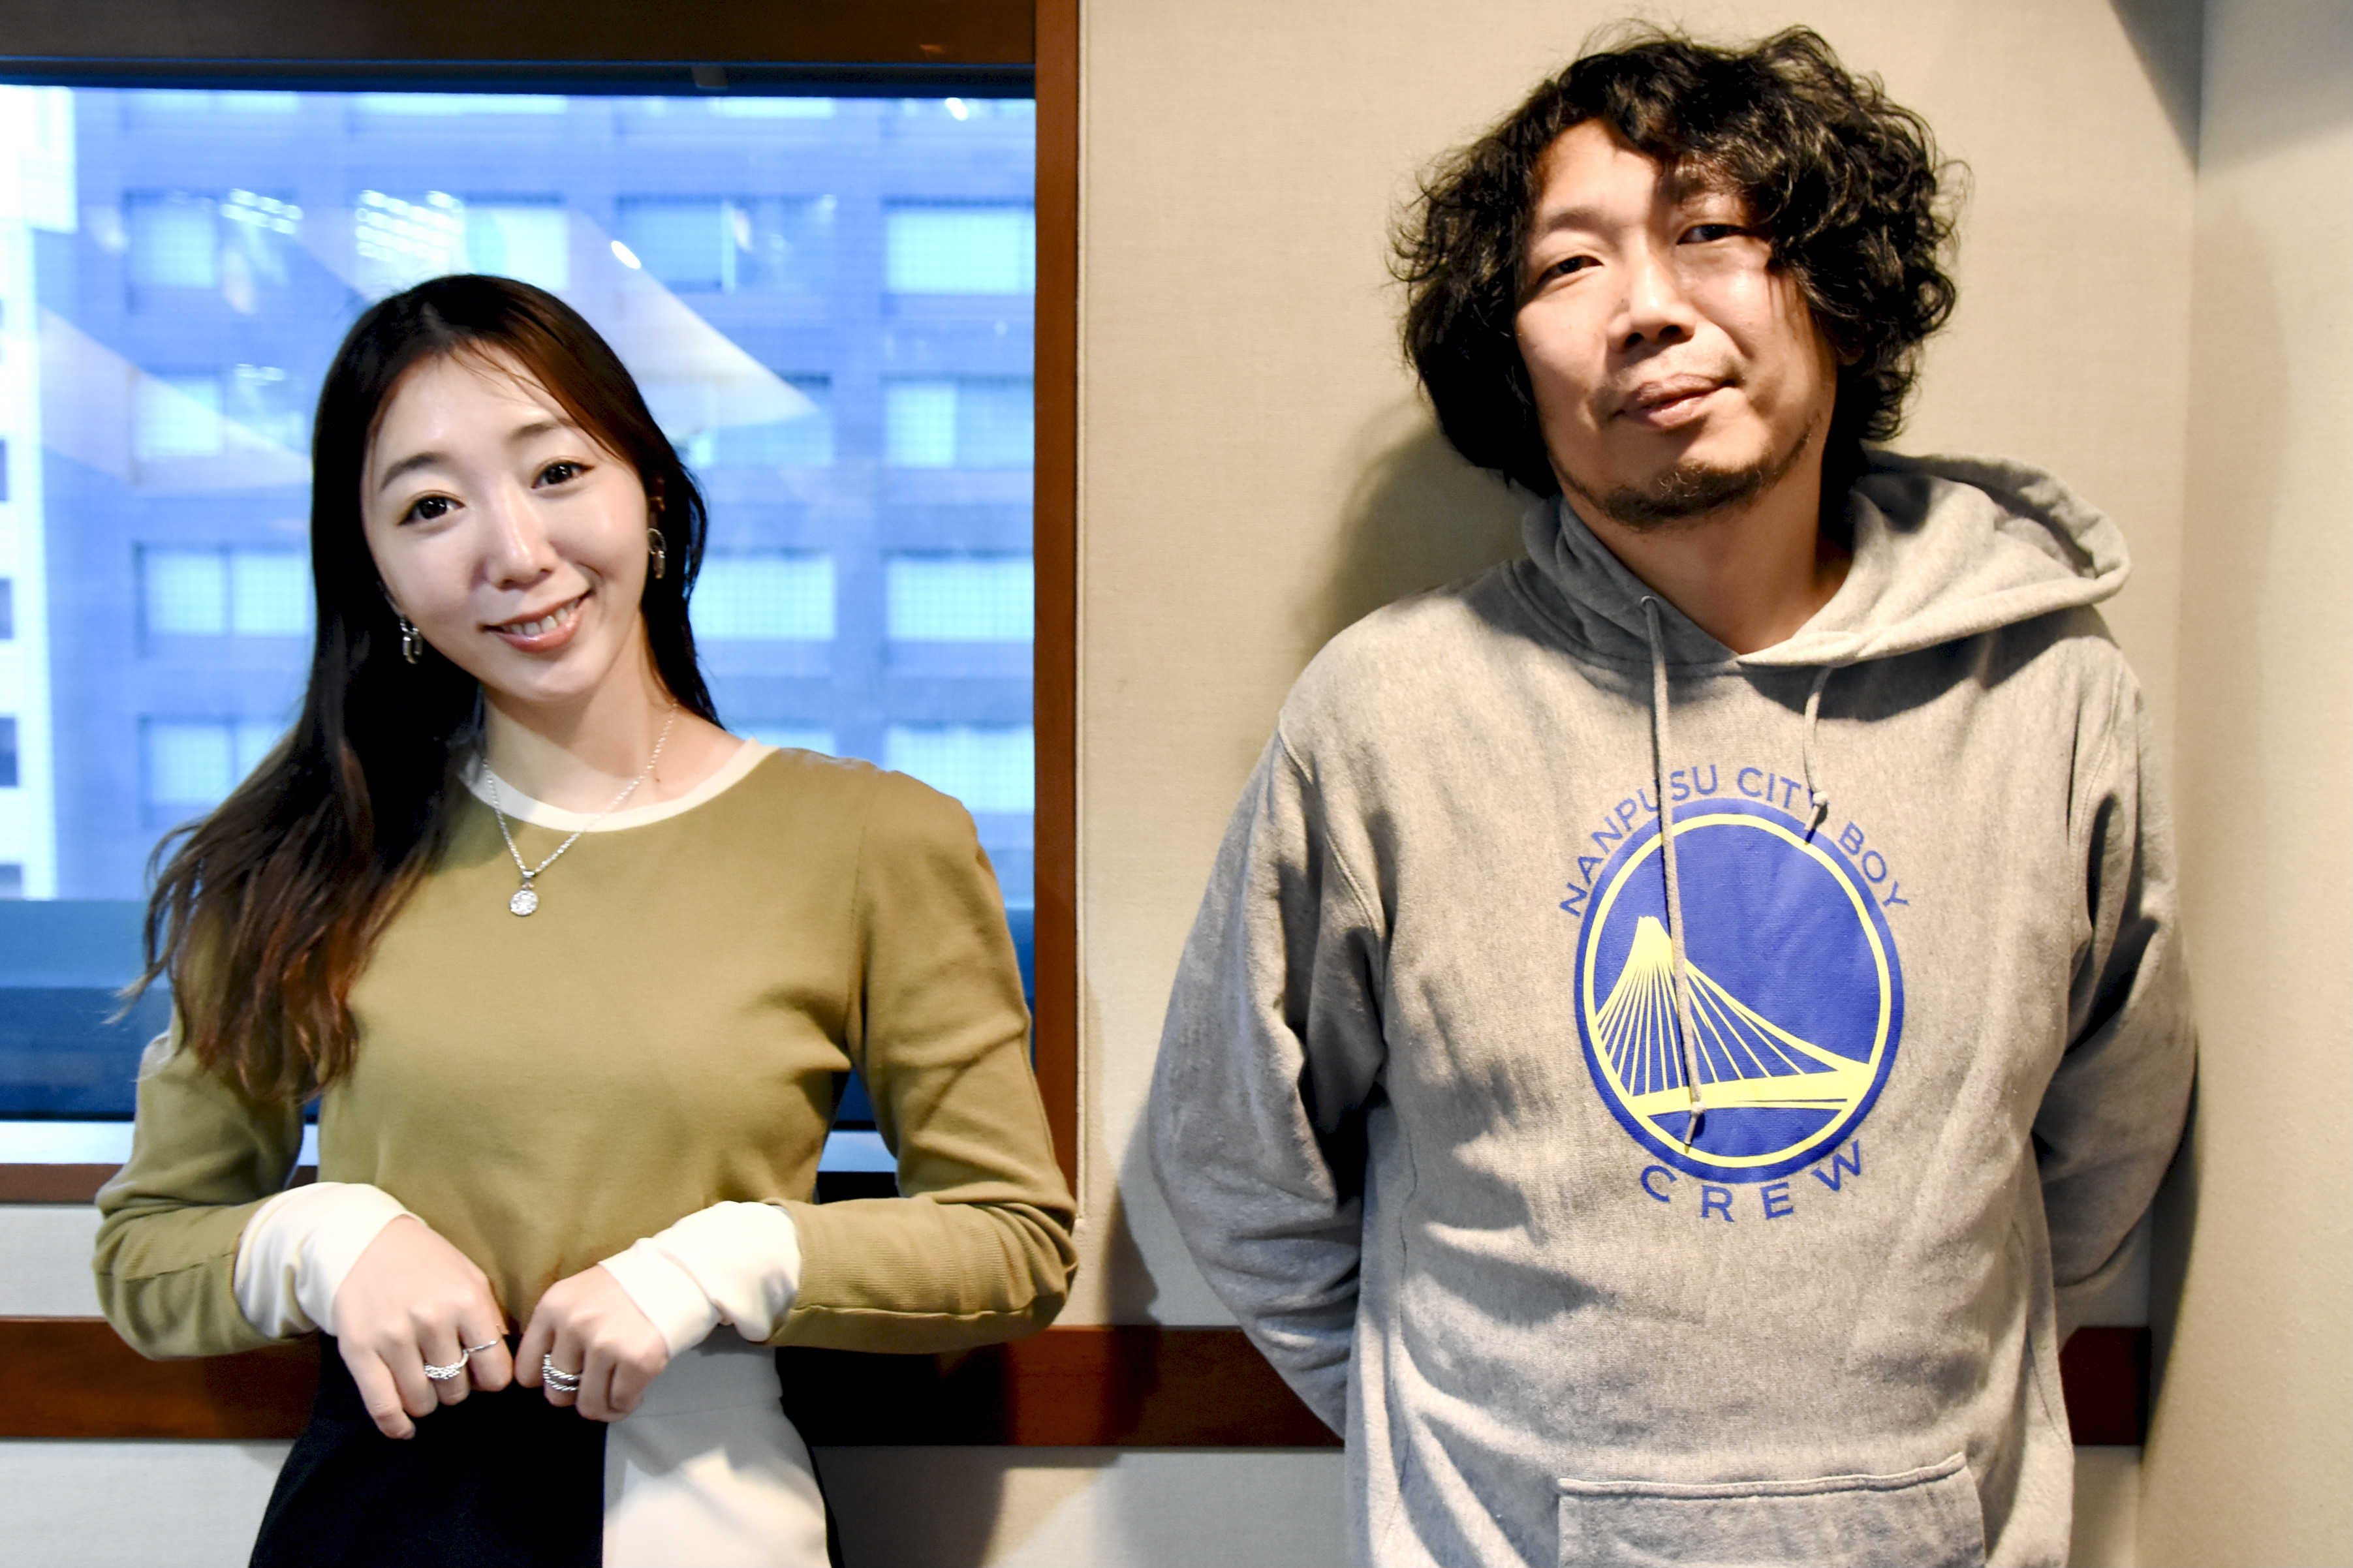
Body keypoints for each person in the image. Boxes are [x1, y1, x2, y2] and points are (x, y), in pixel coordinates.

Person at [1149, 28, 2190, 1568]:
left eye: (1710, 230)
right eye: (1569, 265)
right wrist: (1446, 1443)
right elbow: (1237, 1155)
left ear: (1839, 295)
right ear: (1514, 362)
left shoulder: (2051, 697)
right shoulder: (1387, 716)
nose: (1644, 305)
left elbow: (2108, 1135)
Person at [93, 274, 1075, 1568]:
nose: (514, 552)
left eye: (556, 472)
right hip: (378, 1522)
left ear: (651, 491)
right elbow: (148, 1253)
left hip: (711, 1520)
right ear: (376, 566)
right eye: (430, 506)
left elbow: (1011, 1238)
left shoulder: (872, 839)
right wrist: (325, 1237)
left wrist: (714, 1264)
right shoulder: (297, 855)